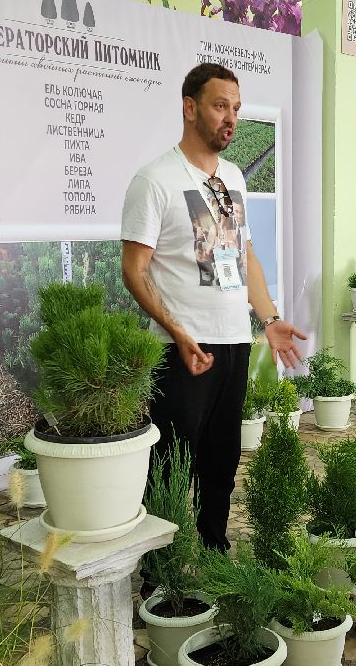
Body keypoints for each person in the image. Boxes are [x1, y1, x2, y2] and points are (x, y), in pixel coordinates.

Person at [122, 62, 306, 549]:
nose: (231, 118)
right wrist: (179, 332)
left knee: (221, 463)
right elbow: (134, 270)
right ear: (189, 107)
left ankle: (213, 551)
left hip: (232, 344)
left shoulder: (233, 177)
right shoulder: (155, 180)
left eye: (236, 109)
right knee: (170, 466)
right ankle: (160, 573)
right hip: (180, 349)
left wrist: (268, 318)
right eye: (220, 106)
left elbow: (243, 254)